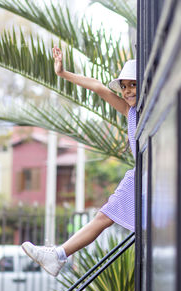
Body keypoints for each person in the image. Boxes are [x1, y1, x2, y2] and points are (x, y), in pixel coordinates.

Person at [22, 45, 137, 277]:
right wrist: (63, 73)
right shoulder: (130, 112)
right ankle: (59, 255)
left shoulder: (151, 110)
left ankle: (59, 255)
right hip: (141, 176)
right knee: (104, 216)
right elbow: (97, 86)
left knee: (104, 217)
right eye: (123, 87)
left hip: (148, 177)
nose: (126, 91)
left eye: (133, 84)